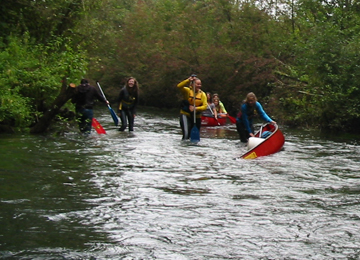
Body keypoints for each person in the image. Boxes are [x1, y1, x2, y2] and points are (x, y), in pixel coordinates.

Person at [177, 74, 207, 140]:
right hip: (185, 114)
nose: (199, 86)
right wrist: (188, 80)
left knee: (193, 137)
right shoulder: (187, 91)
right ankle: (184, 147)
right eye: (197, 84)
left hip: (196, 116)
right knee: (186, 134)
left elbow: (205, 106)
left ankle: (193, 149)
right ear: (192, 85)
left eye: (200, 84)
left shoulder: (202, 94)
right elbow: (179, 86)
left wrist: (195, 108)